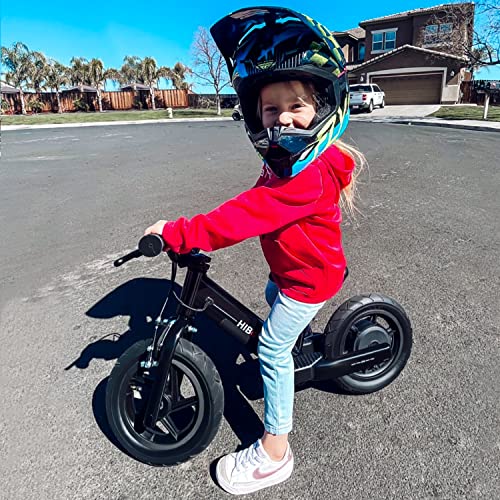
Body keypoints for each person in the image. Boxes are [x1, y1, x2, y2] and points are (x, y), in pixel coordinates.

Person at [145, 7, 366, 495]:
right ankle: (298, 348)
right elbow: (255, 200)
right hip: (293, 272)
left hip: (308, 280)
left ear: (324, 106)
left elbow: (244, 216)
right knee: (271, 298)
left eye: (296, 106)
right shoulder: (287, 164)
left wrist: (181, 232)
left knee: (270, 347)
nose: (282, 117)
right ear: (254, 115)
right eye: (270, 110)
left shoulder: (305, 177)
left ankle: (275, 452)